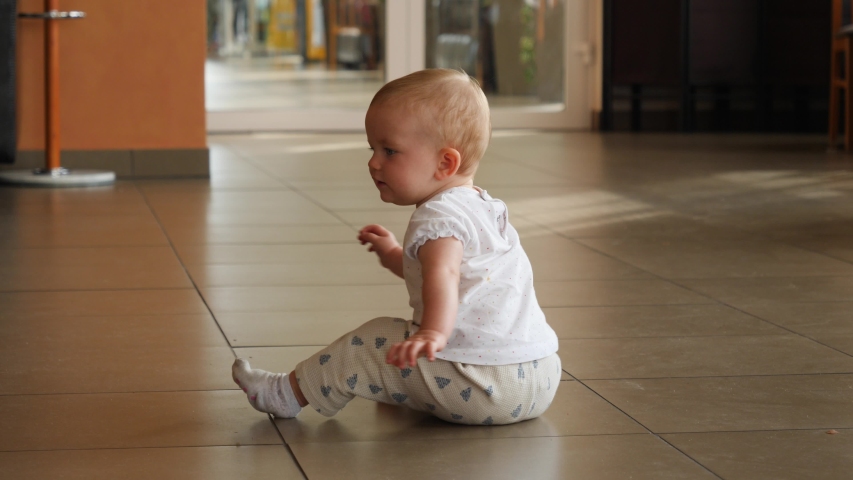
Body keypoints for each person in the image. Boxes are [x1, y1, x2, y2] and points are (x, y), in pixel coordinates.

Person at [232, 69, 560, 426]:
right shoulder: (484, 206)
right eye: (372, 148)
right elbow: (454, 270)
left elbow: (445, 273)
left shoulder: (438, 216)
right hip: (539, 377)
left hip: (484, 386)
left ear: (445, 163)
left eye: (390, 151)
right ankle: (400, 385)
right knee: (399, 351)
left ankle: (282, 394)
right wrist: (392, 252)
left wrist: (434, 332)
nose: (374, 162)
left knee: (372, 341)